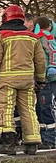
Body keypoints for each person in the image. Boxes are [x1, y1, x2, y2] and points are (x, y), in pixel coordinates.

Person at [0, 5, 47, 155]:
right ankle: (32, 143)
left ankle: (9, 144)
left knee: (6, 110)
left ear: (6, 18)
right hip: (28, 81)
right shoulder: (33, 37)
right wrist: (40, 79)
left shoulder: (2, 36)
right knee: (29, 110)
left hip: (7, 81)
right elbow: (40, 61)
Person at [32, 16, 56, 149]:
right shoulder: (41, 37)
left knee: (45, 107)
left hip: (46, 77)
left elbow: (53, 52)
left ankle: (50, 139)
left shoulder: (44, 37)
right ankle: (44, 136)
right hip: (41, 77)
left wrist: (51, 68)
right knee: (41, 108)